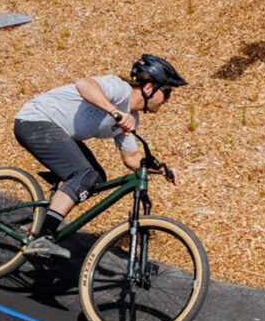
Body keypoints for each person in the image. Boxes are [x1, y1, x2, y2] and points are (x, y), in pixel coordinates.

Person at [11, 54, 186, 257]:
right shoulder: (119, 89)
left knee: (96, 177)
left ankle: (54, 204)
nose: (167, 101)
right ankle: (44, 237)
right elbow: (84, 84)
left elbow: (131, 158)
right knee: (83, 175)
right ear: (149, 88)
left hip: (61, 132)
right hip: (35, 120)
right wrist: (115, 112)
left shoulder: (132, 118)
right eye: (167, 94)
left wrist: (161, 169)